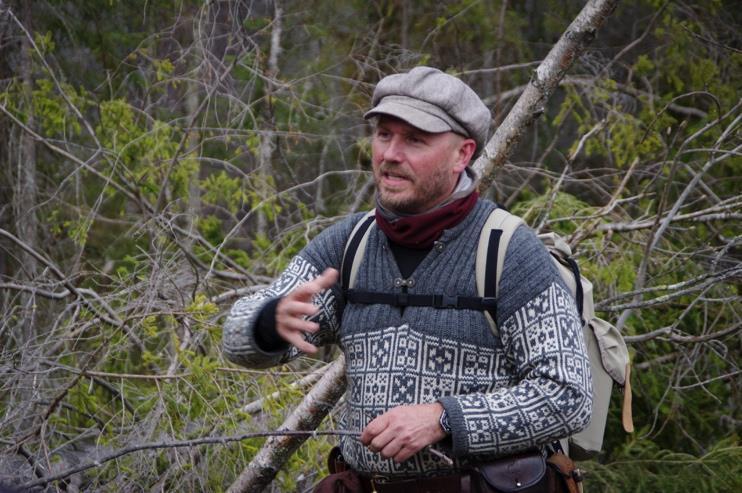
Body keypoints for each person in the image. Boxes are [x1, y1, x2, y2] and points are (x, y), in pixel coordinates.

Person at [223, 66, 592, 491]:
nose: (390, 154)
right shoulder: (349, 245)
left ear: (463, 154)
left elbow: (568, 396)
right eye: (384, 134)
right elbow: (236, 340)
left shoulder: (508, 253)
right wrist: (269, 323)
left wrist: (443, 418)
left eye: (415, 140)